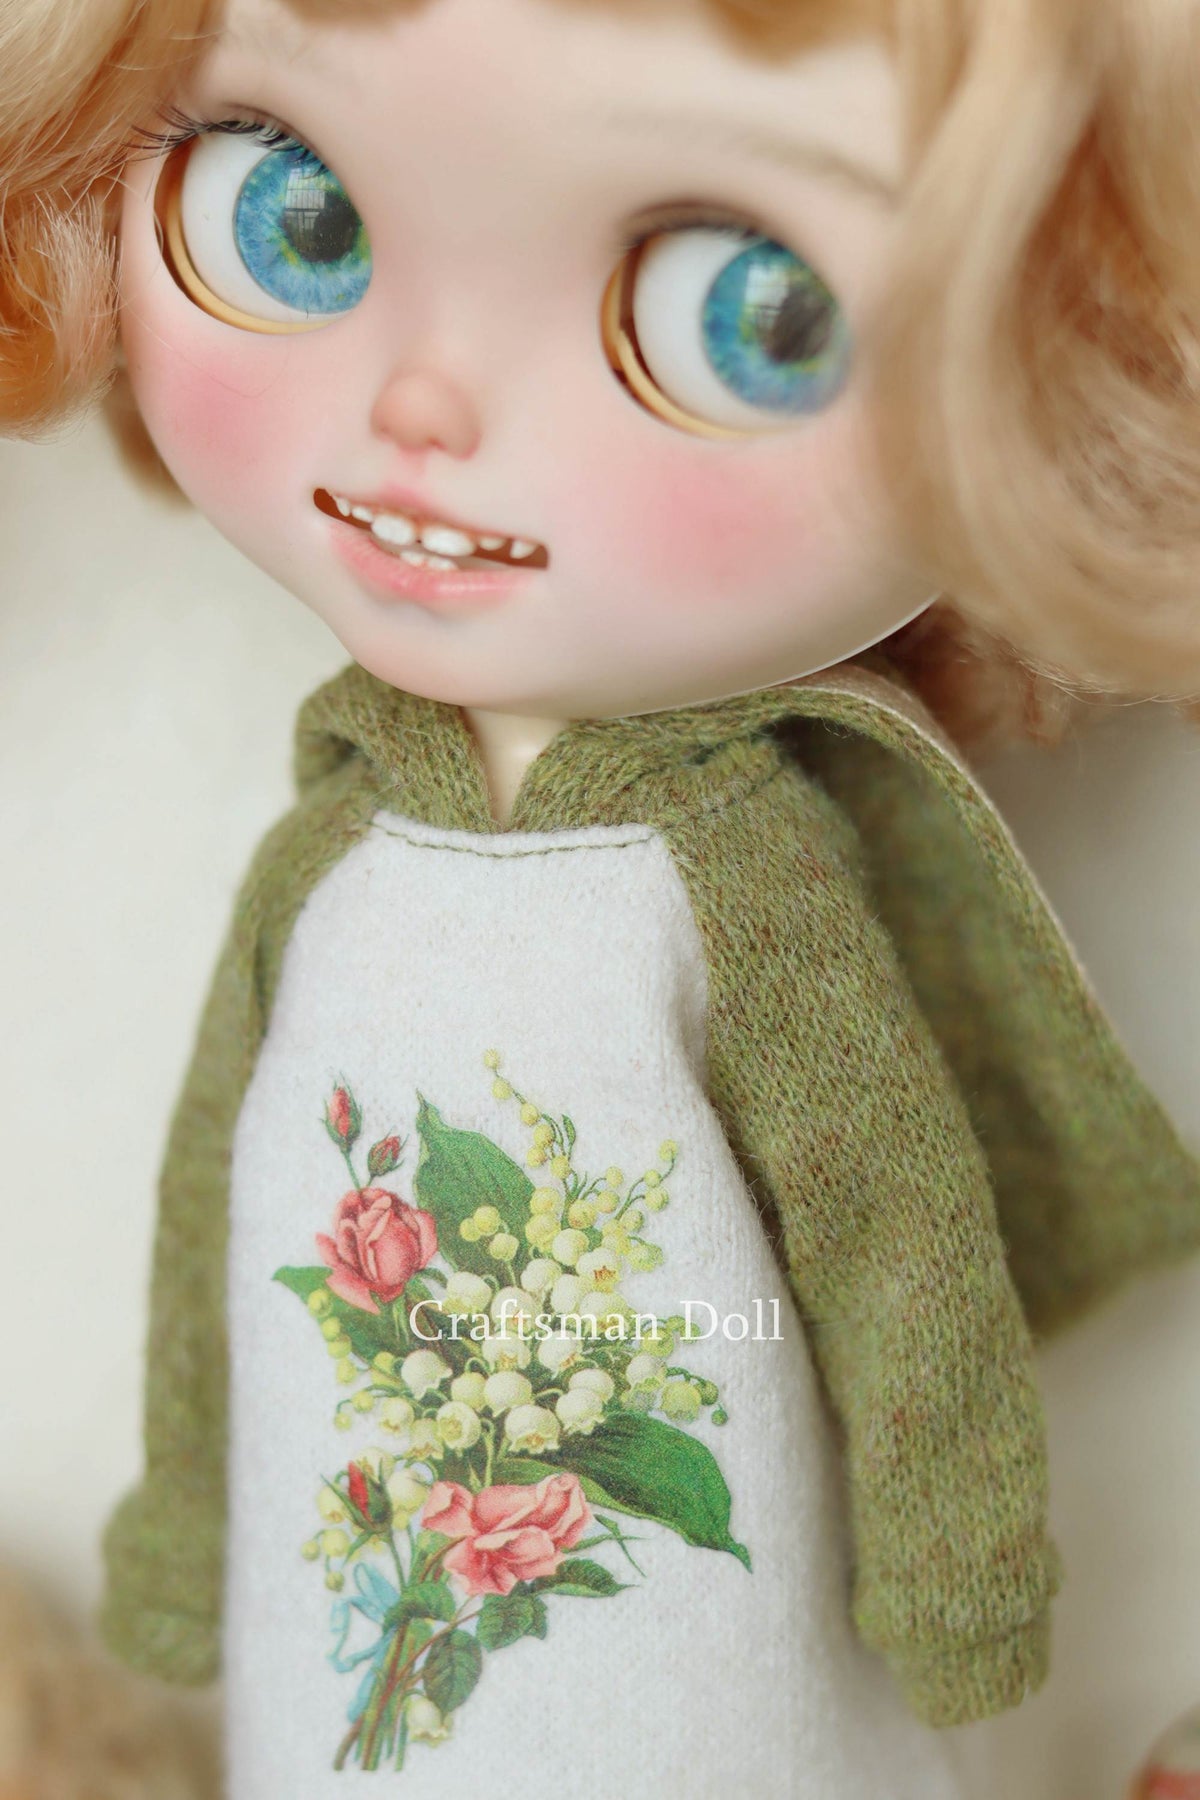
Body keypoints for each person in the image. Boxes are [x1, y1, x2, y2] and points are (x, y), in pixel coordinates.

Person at [4, 0, 1200, 1793]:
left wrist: (955, 1565)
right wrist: (185, 1525)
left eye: (744, 311)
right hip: (343, 1615)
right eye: (289, 211)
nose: (424, 404)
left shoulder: (730, 882)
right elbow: (216, 1214)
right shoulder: (331, 846)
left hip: (700, 1670)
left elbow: (897, 1240)